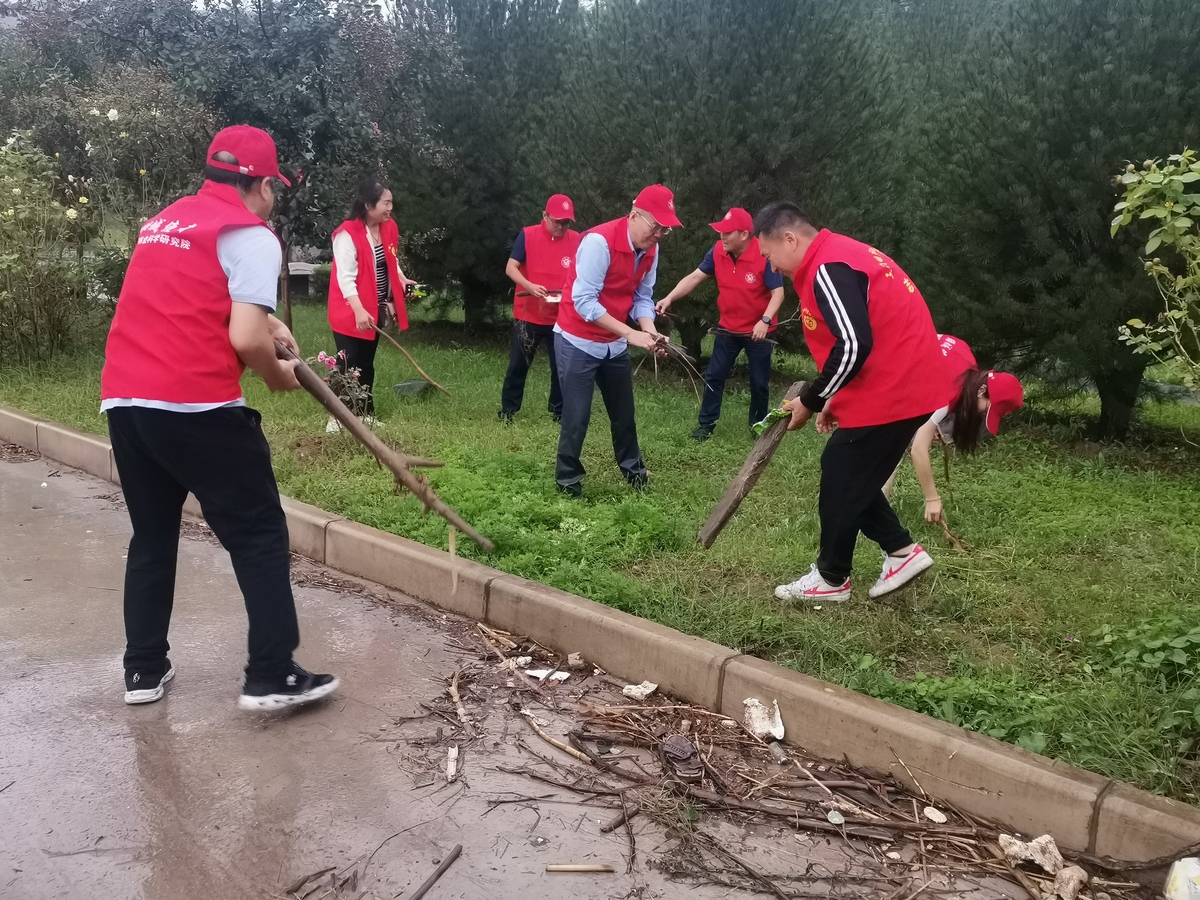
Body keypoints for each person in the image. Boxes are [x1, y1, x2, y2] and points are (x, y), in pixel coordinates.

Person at [100, 125, 339, 710]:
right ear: (258, 183)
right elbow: (242, 336)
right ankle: (271, 673)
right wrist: (276, 373)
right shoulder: (251, 235)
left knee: (152, 536)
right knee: (258, 533)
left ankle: (142, 671)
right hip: (197, 405)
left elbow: (194, 301)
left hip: (128, 402)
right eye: (273, 188)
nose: (273, 199)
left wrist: (270, 325)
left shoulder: (165, 222)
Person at [752, 202, 951, 604]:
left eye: (770, 255)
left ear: (790, 239)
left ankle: (833, 577)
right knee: (848, 473)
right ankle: (898, 552)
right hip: (904, 384)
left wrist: (812, 397)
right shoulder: (842, 254)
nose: (772, 267)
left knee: (843, 471)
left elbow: (854, 344)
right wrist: (835, 395)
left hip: (896, 388)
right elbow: (859, 340)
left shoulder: (828, 266)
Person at [554, 184, 679, 497]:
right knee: (577, 416)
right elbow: (584, 301)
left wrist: (648, 330)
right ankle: (568, 480)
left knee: (624, 414)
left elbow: (642, 296)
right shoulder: (599, 242)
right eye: (656, 227)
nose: (660, 235)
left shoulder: (651, 249)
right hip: (578, 340)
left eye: (666, 230)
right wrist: (630, 333)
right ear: (634, 215)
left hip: (614, 343)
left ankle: (634, 472)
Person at [655, 207, 786, 440]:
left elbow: (778, 293)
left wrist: (764, 321)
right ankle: (706, 425)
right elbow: (695, 276)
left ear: (744, 234)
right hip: (728, 328)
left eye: (727, 232)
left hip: (759, 331)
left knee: (759, 382)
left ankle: (758, 427)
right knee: (714, 375)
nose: (721, 237)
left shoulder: (762, 253)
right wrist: (669, 298)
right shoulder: (718, 251)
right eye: (720, 232)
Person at [888, 333, 1024, 523]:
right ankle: (867, 512)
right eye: (987, 408)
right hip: (880, 369)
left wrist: (928, 418)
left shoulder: (964, 354)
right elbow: (918, 450)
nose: (982, 414)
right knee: (889, 446)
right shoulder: (946, 391)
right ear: (982, 390)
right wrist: (932, 498)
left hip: (895, 358)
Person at [327, 179, 417, 430]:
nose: (391, 207)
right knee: (347, 361)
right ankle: (337, 418)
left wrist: (400, 278)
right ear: (368, 205)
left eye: (391, 202)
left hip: (373, 305)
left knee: (366, 362)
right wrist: (358, 310)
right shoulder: (347, 234)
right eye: (386, 202)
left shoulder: (388, 228)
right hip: (349, 306)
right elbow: (345, 278)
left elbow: (390, 258)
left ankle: (365, 413)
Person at [499, 194, 582, 424]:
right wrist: (529, 286)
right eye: (557, 221)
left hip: (560, 316)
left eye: (566, 222)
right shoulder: (528, 235)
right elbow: (511, 267)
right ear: (544, 216)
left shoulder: (576, 239)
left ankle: (559, 412)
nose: (562, 227)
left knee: (561, 368)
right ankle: (508, 410)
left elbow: (581, 273)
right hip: (528, 312)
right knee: (518, 364)